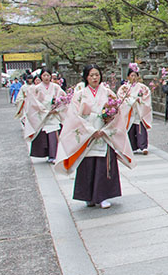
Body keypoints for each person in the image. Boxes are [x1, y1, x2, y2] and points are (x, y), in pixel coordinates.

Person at [54, 64, 134, 209]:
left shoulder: (109, 93)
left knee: (104, 165)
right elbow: (73, 116)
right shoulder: (79, 95)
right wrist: (90, 130)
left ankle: (103, 196)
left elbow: (117, 113)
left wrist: (106, 126)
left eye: (97, 74)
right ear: (86, 77)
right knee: (88, 165)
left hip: (104, 132)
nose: (94, 78)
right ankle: (88, 196)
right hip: (87, 134)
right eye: (91, 75)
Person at [23, 68, 66, 164]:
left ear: (51, 76)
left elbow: (63, 98)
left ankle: (54, 155)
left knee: (54, 135)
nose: (46, 77)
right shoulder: (36, 88)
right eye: (44, 75)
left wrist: (56, 108)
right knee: (44, 136)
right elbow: (33, 102)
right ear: (41, 76)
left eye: (48, 75)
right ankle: (48, 154)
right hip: (43, 114)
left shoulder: (56, 87)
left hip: (54, 114)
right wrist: (45, 110)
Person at [117, 65, 152, 155]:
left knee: (141, 128)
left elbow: (146, 98)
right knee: (130, 128)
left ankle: (143, 146)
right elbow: (121, 99)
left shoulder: (143, 87)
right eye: (131, 75)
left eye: (135, 75)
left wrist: (139, 100)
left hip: (139, 110)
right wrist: (132, 101)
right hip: (129, 111)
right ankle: (132, 147)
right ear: (128, 77)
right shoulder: (124, 88)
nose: (133, 77)